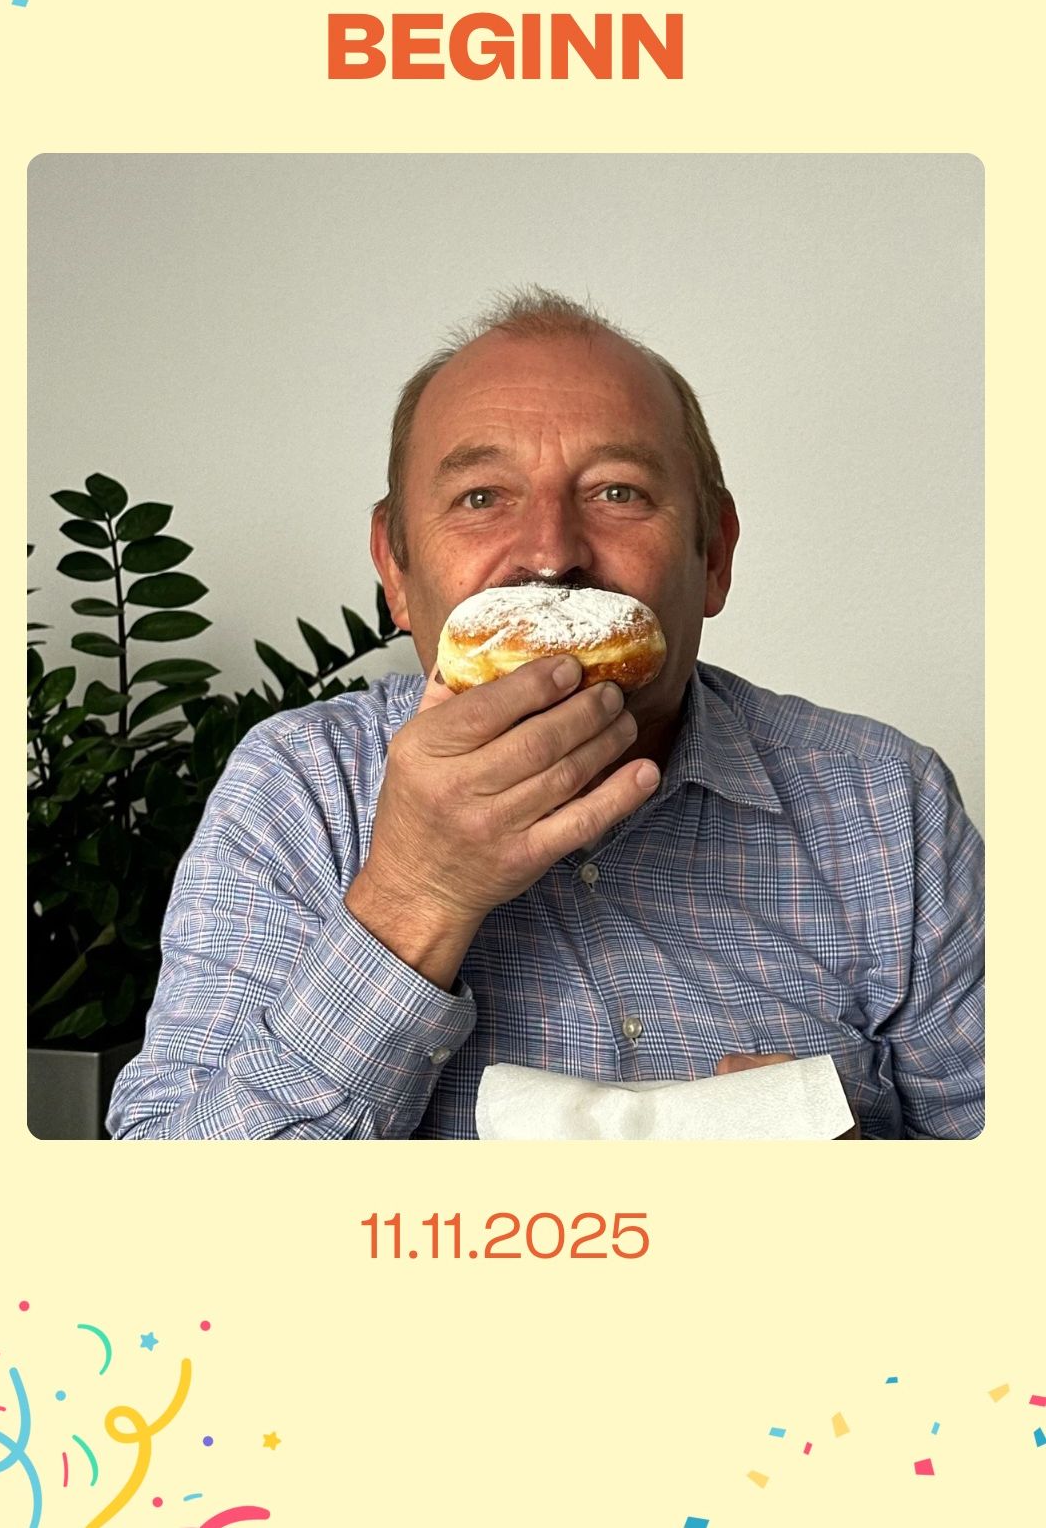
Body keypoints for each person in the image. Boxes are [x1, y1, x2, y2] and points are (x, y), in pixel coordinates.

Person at [107, 290, 984, 1140]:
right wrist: (418, 896)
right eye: (482, 497)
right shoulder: (300, 790)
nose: (552, 555)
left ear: (713, 556)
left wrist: (865, 1208)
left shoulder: (885, 803)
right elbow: (168, 1226)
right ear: (396, 569)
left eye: (618, 493)